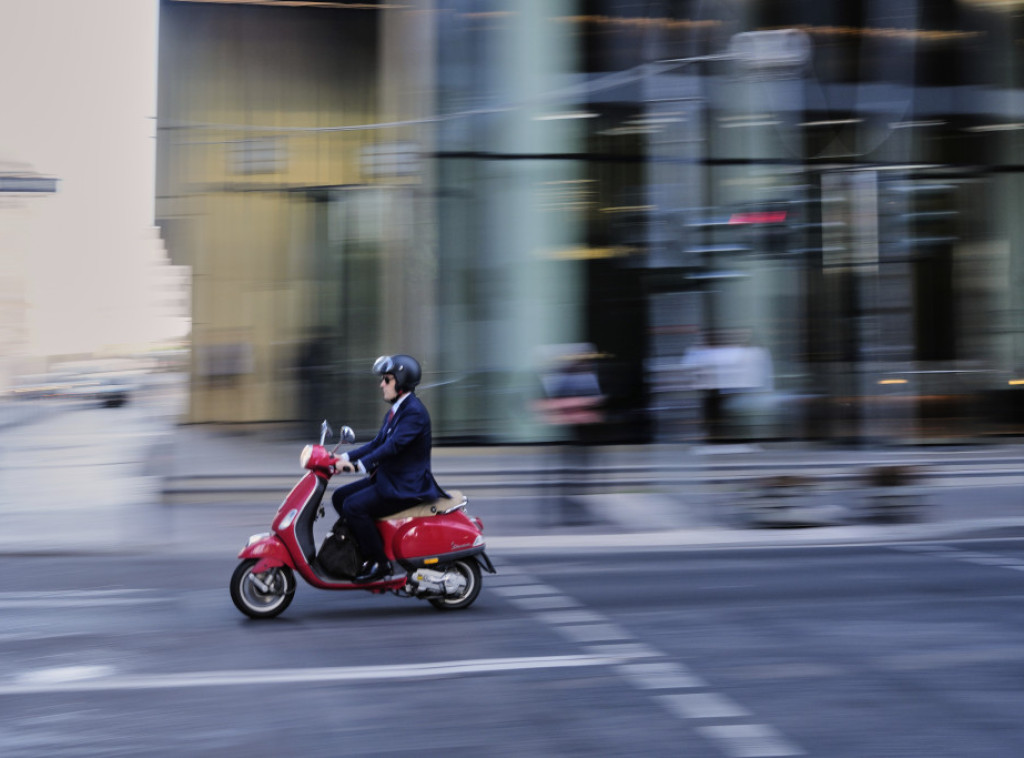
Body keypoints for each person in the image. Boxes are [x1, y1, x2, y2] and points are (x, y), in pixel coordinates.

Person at [331, 354, 445, 582]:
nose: (381, 384)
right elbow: (377, 443)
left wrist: (356, 467)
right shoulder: (398, 410)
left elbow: (391, 448)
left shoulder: (414, 413)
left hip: (406, 487)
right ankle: (363, 548)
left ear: (401, 382)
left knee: (353, 506)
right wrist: (340, 458)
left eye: (387, 379)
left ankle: (380, 562)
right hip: (390, 479)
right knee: (339, 497)